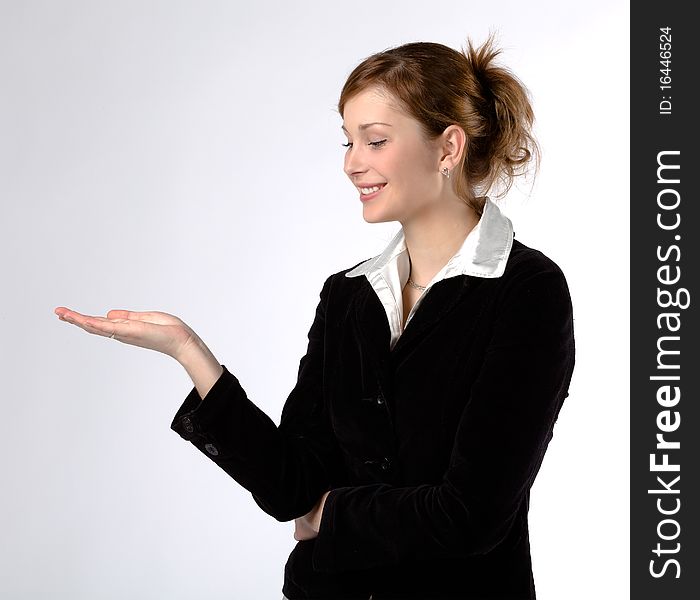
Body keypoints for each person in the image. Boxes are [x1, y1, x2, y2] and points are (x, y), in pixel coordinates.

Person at [55, 33, 576, 600]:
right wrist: (189, 352)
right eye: (348, 142)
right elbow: (293, 484)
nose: (353, 164)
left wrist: (329, 514)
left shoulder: (526, 291)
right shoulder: (348, 296)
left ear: (447, 148)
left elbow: (472, 514)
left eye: (375, 141)